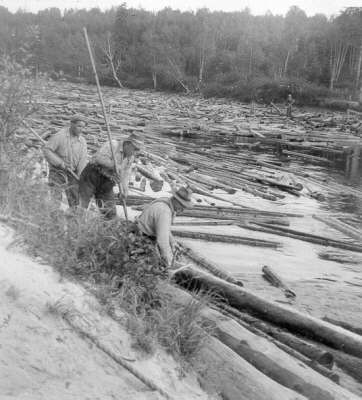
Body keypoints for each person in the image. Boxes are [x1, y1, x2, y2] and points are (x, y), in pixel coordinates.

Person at [79, 134, 143, 218]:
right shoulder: (113, 145)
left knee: (110, 213)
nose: (135, 152)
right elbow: (99, 158)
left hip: (107, 183)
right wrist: (114, 165)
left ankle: (106, 228)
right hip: (92, 176)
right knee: (81, 206)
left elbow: (125, 175)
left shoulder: (130, 158)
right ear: (127, 144)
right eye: (135, 149)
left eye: (137, 150)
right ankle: (75, 226)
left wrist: (124, 190)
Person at [136, 186, 193, 268]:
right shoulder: (164, 212)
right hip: (142, 237)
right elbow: (162, 241)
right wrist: (170, 263)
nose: (183, 209)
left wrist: (173, 242)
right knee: (157, 265)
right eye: (182, 206)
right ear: (176, 201)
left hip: (144, 232)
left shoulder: (167, 203)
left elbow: (164, 228)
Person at [43, 115, 88, 207]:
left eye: (83, 127)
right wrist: (60, 163)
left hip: (73, 173)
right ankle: (52, 216)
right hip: (57, 171)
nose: (81, 129)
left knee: (75, 200)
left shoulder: (82, 141)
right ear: (71, 124)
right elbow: (47, 150)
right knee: (55, 197)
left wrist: (80, 175)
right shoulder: (60, 136)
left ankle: (73, 218)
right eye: (79, 126)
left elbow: (83, 160)